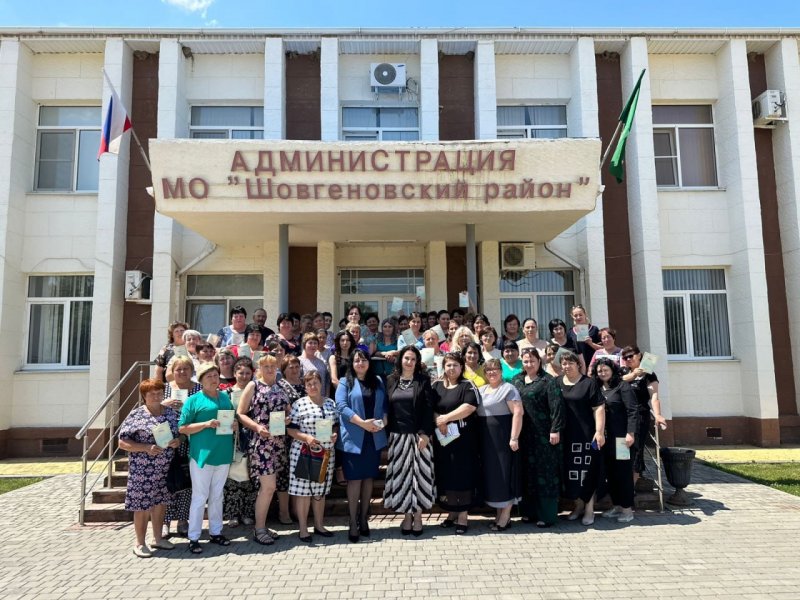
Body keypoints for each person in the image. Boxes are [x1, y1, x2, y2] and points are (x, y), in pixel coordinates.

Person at [118, 378, 181, 557]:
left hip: (165, 468)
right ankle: (139, 543)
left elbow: (179, 434)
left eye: (159, 393)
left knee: (161, 503)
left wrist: (177, 441)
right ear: (144, 396)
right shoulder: (137, 415)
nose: (156, 396)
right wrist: (145, 447)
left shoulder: (170, 413)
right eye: (152, 394)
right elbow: (122, 442)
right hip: (142, 470)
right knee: (142, 505)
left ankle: (158, 538)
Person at [178, 362, 236, 553]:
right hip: (202, 455)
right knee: (200, 496)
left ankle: (216, 532)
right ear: (201, 380)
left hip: (223, 453)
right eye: (209, 376)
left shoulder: (225, 397)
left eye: (215, 375)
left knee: (217, 495)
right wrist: (205, 424)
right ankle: (194, 537)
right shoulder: (193, 400)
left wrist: (234, 424)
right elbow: (182, 428)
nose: (213, 379)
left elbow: (231, 418)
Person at [236, 354, 291, 546]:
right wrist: (257, 427)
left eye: (272, 366)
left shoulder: (281, 386)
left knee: (269, 488)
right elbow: (241, 413)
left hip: (278, 442)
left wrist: (287, 419)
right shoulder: (253, 386)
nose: (269, 369)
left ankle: (262, 526)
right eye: (265, 366)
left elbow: (288, 410)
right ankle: (259, 529)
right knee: (268, 487)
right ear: (259, 368)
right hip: (261, 443)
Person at [335, 350, 388, 543]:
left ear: (369, 362)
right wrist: (362, 423)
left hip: (374, 437)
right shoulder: (345, 382)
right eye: (357, 360)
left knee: (368, 479)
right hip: (354, 438)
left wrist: (383, 421)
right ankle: (352, 521)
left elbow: (385, 406)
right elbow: (341, 406)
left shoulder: (378, 381)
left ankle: (364, 518)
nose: (360, 363)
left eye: (363, 360)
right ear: (352, 363)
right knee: (355, 480)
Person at [383, 346, 435, 536]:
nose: (409, 362)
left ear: (417, 362)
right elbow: (386, 408)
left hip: (419, 436)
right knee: (402, 477)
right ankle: (406, 516)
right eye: (406, 358)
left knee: (419, 476)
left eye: (413, 359)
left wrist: (425, 433)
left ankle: (418, 516)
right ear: (400, 360)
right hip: (397, 436)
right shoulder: (391, 380)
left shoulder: (423, 380)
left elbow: (428, 409)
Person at [512, 348, 564, 527]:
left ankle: (547, 515)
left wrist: (555, 429)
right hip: (524, 435)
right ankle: (529, 512)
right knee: (527, 473)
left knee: (545, 474)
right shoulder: (517, 380)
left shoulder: (548, 381)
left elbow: (557, 406)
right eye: (526, 361)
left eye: (532, 361)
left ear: (539, 362)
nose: (529, 364)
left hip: (544, 435)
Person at [431, 352, 480, 534]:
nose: (451, 368)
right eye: (448, 365)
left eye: (455, 365)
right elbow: (429, 407)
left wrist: (446, 418)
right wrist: (438, 420)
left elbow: (469, 407)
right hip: (443, 440)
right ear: (443, 367)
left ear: (461, 367)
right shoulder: (436, 385)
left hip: (464, 441)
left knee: (463, 476)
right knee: (447, 475)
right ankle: (452, 512)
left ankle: (463, 516)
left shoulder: (467, 385)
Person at [287, 370, 338, 542]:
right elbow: (291, 430)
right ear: (305, 387)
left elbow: (335, 425)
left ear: (321, 384)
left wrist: (334, 434)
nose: (313, 386)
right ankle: (303, 529)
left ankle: (319, 525)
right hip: (304, 452)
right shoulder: (299, 404)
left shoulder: (330, 403)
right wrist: (307, 438)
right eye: (309, 384)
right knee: (303, 492)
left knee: (320, 491)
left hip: (325, 453)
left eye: (315, 382)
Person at [558, 350, 605, 526]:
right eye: (564, 363)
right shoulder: (557, 382)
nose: (567, 366)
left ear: (578, 364)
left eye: (570, 363)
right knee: (571, 474)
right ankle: (577, 507)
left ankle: (589, 509)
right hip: (565, 436)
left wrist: (599, 432)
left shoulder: (589, 383)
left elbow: (598, 408)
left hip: (586, 437)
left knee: (587, 473)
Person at [477, 358, 523, 531]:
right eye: (488, 370)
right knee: (494, 476)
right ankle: (499, 514)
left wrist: (514, 437)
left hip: (503, 439)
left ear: (501, 371)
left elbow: (518, 413)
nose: (492, 372)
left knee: (505, 474)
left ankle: (505, 516)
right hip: (487, 440)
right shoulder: (481, 390)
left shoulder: (508, 389)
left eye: (495, 369)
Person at [594, 358, 638, 523]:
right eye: (599, 370)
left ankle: (627, 509)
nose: (602, 373)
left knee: (623, 473)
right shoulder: (598, 388)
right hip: (604, 439)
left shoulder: (622, 386)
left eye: (605, 370)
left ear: (612, 370)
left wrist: (630, 433)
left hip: (621, 439)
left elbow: (632, 410)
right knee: (610, 473)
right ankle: (617, 505)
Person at [162, 356, 201, 537]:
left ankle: (183, 520)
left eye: (186, 368)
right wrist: (164, 404)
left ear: (192, 370)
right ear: (172, 372)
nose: (182, 372)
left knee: (187, 481)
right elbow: (150, 409)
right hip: (167, 441)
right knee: (168, 481)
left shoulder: (199, 389)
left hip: (192, 440)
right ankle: (165, 521)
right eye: (178, 369)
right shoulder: (165, 389)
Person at [620, 345, 666, 486]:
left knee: (636, 449)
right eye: (625, 357)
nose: (628, 359)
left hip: (639, 415)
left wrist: (658, 414)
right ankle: (621, 485)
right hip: (622, 416)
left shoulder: (649, 374)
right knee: (621, 449)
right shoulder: (623, 371)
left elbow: (654, 397)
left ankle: (631, 487)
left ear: (639, 355)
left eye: (631, 356)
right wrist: (634, 374)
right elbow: (616, 382)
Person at [222, 357, 256, 529]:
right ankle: (232, 514)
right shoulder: (225, 393)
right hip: (231, 437)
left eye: (247, 373)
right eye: (241, 373)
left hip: (251, 436)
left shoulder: (256, 392)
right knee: (231, 476)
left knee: (249, 475)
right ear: (234, 373)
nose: (244, 376)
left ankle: (247, 512)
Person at [275, 354, 306, 524]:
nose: (294, 370)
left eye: (296, 366)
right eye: (290, 367)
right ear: (284, 370)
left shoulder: (305, 384)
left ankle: (296, 510)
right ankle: (284, 511)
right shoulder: (280, 386)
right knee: (284, 474)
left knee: (299, 474)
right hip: (285, 435)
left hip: (303, 434)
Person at [567, 304, 602, 370]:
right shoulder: (570, 332)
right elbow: (569, 351)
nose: (578, 317)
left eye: (580, 315)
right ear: (572, 317)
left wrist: (591, 343)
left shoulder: (594, 329)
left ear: (585, 314)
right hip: (578, 367)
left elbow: (603, 349)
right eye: (575, 315)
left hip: (593, 365)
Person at [299, 332, 330, 396]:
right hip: (306, 398)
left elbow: (327, 382)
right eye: (310, 343)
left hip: (321, 398)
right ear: (304, 345)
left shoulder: (321, 363)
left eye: (315, 343)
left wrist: (327, 396)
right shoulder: (299, 361)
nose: (313, 345)